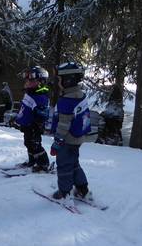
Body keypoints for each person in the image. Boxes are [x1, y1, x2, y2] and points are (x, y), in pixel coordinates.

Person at [48, 61, 92, 201]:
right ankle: (82, 188)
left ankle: (64, 192)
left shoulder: (67, 100)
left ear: (68, 80)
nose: (58, 82)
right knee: (73, 163)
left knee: (64, 165)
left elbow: (63, 124)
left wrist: (57, 142)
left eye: (60, 79)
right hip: (77, 138)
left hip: (67, 139)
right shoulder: (79, 95)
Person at [12, 66, 51, 172]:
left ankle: (43, 164)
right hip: (27, 125)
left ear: (41, 82)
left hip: (34, 126)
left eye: (31, 80)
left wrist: (37, 120)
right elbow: (25, 108)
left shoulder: (41, 97)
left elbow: (43, 114)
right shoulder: (30, 93)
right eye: (27, 80)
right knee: (28, 143)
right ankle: (32, 160)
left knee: (35, 144)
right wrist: (18, 118)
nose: (27, 82)